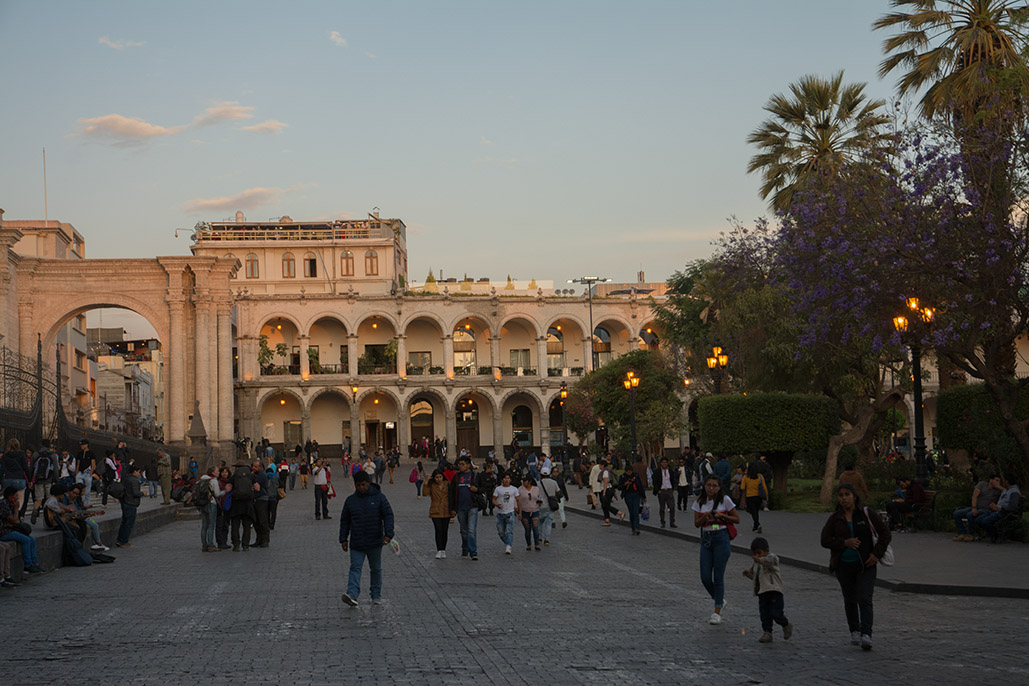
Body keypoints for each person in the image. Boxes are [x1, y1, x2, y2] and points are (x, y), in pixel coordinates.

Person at [820, 483, 891, 651]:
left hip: (865, 565)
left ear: (854, 496)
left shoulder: (866, 514)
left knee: (865, 598)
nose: (844, 498)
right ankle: (855, 630)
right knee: (850, 599)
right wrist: (844, 543)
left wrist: (876, 554)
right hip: (844, 566)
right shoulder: (835, 518)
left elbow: (885, 534)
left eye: (847, 494)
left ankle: (867, 634)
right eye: (841, 495)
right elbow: (825, 540)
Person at [339, 470, 395, 607]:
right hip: (357, 542)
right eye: (358, 485)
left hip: (375, 541)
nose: (361, 488)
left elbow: (388, 515)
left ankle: (376, 594)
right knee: (355, 568)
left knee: (375, 569)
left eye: (363, 485)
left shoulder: (379, 498)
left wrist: (388, 534)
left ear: (368, 483)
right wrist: (343, 539)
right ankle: (352, 594)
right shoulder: (350, 501)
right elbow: (345, 521)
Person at [692, 474, 739, 624]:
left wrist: (721, 515)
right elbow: (696, 524)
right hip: (706, 539)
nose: (711, 488)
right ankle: (719, 598)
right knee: (705, 577)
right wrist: (704, 517)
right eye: (708, 485)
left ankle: (717, 611)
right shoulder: (699, 502)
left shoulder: (725, 500)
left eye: (714, 486)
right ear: (704, 486)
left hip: (721, 537)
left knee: (718, 577)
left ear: (719, 488)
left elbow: (736, 519)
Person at [741, 536, 793, 643]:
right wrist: (748, 574)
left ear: (767, 551)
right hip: (762, 593)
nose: (756, 556)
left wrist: (760, 560)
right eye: (754, 554)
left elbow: (771, 561)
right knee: (764, 615)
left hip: (774, 591)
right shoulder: (756, 565)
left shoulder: (772, 558)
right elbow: (757, 578)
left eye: (759, 553)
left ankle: (786, 624)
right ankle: (767, 632)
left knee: (776, 613)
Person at [0, 486, 43, 574]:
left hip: (10, 529)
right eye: (16, 496)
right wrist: (16, 509)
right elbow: (14, 520)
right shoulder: (3, 505)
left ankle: (34, 564)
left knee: (32, 539)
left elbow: (16, 521)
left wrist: (14, 519)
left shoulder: (11, 504)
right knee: (26, 540)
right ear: (10, 496)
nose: (17, 498)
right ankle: (27, 565)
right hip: (4, 532)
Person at [448, 456, 482, 560]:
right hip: (461, 507)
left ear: (468, 464)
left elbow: (483, 488)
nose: (460, 466)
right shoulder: (456, 477)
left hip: (472, 506)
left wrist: (476, 489)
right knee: (463, 530)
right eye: (459, 464)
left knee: (471, 530)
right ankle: (465, 548)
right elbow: (452, 493)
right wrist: (452, 508)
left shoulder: (475, 475)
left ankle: (473, 552)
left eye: (462, 464)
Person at [973, 473, 1022, 540]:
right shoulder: (1006, 490)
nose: (1001, 482)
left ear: (1006, 482)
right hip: (996, 510)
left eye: (1003, 480)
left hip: (1003, 512)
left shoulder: (1014, 492)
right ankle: (989, 534)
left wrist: (999, 508)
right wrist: (994, 506)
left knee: (985, 521)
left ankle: (994, 535)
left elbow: (1013, 506)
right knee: (978, 520)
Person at [423, 469, 451, 558]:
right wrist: (426, 481)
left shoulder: (448, 484)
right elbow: (425, 493)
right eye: (436, 477)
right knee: (438, 529)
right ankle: (439, 549)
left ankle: (443, 550)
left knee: (445, 530)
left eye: (440, 477)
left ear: (443, 477)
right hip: (435, 510)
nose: (439, 479)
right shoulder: (432, 485)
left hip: (446, 510)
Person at [229, 461, 256, 551]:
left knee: (235, 525)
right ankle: (245, 545)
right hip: (248, 504)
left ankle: (236, 544)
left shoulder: (233, 477)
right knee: (247, 526)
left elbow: (227, 488)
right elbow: (257, 488)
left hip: (236, 504)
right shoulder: (251, 476)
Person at [115, 464, 142, 548]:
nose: (139, 474)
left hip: (125, 502)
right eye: (138, 472)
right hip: (131, 503)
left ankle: (120, 540)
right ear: (134, 471)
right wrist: (142, 493)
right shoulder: (134, 480)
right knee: (129, 523)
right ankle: (124, 541)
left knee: (124, 522)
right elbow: (135, 493)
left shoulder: (126, 479)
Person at [493, 472, 520, 555]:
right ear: (502, 480)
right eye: (505, 478)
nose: (506, 480)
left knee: (509, 531)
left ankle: (509, 545)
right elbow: (493, 499)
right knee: (501, 532)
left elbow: (518, 499)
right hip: (500, 513)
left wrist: (518, 509)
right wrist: (496, 504)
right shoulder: (498, 489)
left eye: (508, 478)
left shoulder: (514, 489)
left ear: (510, 480)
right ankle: (507, 542)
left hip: (510, 512)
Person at [1, 438, 30, 514]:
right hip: (19, 478)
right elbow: (25, 467)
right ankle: (17, 514)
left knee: (7, 497)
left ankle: (8, 513)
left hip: (8, 478)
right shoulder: (22, 454)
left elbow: (2, 469)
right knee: (20, 499)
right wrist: (29, 480)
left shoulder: (5, 455)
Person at [196, 467, 222, 552]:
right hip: (211, 503)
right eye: (217, 471)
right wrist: (225, 491)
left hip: (203, 504)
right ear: (213, 473)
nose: (218, 472)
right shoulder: (213, 481)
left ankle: (204, 545)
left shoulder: (200, 481)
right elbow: (217, 494)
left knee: (204, 525)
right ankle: (211, 545)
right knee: (211, 525)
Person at [619, 463, 646, 536]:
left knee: (636, 511)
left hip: (636, 494)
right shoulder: (622, 477)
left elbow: (640, 486)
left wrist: (643, 496)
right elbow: (619, 487)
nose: (629, 473)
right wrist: (625, 484)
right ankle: (633, 528)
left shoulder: (636, 476)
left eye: (630, 471)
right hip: (627, 495)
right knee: (631, 512)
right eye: (628, 472)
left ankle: (637, 528)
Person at [740, 464, 768, 533]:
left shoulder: (746, 477)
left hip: (750, 497)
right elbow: (764, 487)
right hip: (758, 496)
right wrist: (766, 497)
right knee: (756, 511)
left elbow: (742, 487)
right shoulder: (760, 476)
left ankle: (757, 524)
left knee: (753, 511)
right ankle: (755, 526)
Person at [517, 475, 542, 551]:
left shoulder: (536, 489)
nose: (523, 483)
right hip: (524, 511)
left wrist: (540, 501)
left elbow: (540, 497)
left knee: (535, 528)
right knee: (527, 529)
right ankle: (529, 544)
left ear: (529, 482)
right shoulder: (520, 489)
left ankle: (537, 544)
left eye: (525, 481)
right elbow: (518, 500)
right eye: (523, 481)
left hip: (535, 510)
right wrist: (518, 511)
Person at [653, 457, 677, 528]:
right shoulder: (657, 471)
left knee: (672, 507)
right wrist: (658, 490)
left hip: (669, 490)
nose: (664, 464)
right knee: (662, 508)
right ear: (661, 463)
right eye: (663, 462)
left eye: (665, 462)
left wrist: (673, 488)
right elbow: (654, 481)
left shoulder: (670, 471)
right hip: (662, 490)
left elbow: (673, 479)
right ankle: (662, 522)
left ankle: (672, 521)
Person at [251, 461, 271, 547]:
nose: (253, 468)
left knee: (262, 520)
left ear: (260, 468)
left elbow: (257, 488)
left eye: (256, 467)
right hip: (255, 499)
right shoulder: (256, 475)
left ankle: (265, 540)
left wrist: (252, 477)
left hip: (261, 500)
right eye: (253, 466)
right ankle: (259, 539)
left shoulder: (262, 475)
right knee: (256, 521)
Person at [539, 468, 561, 545]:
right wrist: (558, 499)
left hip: (541, 505)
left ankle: (539, 538)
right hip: (551, 506)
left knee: (540, 522)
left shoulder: (538, 483)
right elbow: (558, 492)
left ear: (541, 474)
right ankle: (547, 539)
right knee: (549, 523)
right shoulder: (554, 482)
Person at [599, 460, 623, 526]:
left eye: (600, 465)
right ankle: (607, 520)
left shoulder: (605, 471)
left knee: (606, 505)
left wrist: (604, 492)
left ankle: (620, 513)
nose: (599, 466)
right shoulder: (608, 470)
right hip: (609, 489)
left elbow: (606, 481)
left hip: (606, 489)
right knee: (604, 506)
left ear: (602, 465)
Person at [215, 466, 232, 550]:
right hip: (220, 505)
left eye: (226, 472)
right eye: (222, 472)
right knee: (219, 524)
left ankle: (224, 541)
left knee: (226, 524)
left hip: (228, 505)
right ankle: (220, 542)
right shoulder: (218, 482)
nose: (224, 474)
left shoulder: (231, 482)